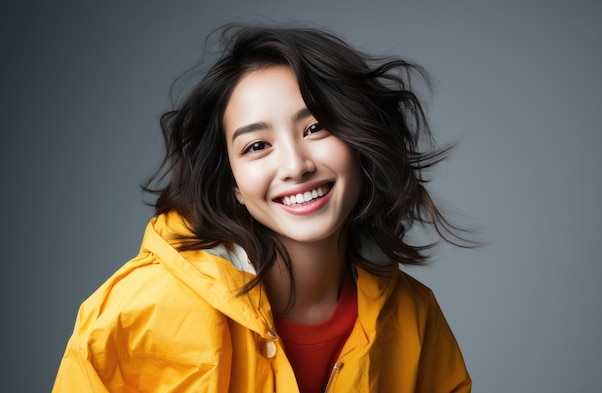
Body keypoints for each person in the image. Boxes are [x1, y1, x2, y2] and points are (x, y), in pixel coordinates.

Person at [53, 24, 472, 392]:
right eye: (257, 146)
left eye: (316, 127)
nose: (295, 165)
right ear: (231, 183)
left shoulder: (414, 317)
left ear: (360, 142)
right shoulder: (139, 312)